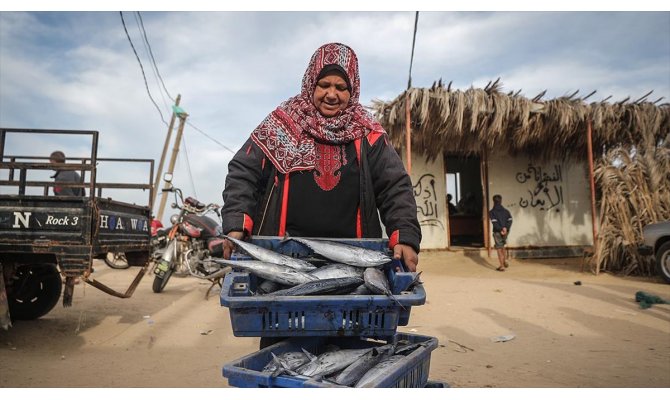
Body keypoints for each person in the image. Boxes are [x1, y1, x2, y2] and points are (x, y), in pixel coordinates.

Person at [220, 43, 421, 272]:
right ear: (310, 84)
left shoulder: (369, 133)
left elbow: (394, 186)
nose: (332, 94)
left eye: (341, 87)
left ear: (352, 90)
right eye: (324, 85)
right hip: (281, 258)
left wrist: (405, 235)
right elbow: (243, 172)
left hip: (354, 262)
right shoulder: (282, 124)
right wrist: (237, 222)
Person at [489, 194, 512, 271]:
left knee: (499, 248)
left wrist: (501, 229)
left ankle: (501, 266)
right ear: (501, 201)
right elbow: (510, 220)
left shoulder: (492, 212)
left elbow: (494, 223)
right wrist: (506, 228)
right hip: (506, 232)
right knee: (502, 246)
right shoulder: (506, 211)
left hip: (497, 232)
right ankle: (504, 260)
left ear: (493, 201)